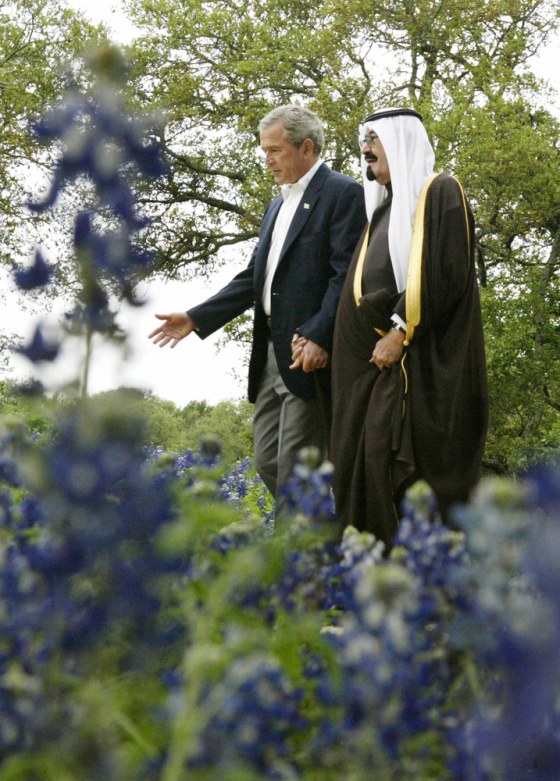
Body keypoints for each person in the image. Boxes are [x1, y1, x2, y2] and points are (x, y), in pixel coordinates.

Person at [149, 105, 366, 517]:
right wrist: (196, 316)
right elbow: (255, 277)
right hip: (269, 351)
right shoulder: (276, 206)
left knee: (296, 473)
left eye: (274, 150)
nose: (267, 159)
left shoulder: (343, 193)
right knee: (267, 461)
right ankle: (327, 532)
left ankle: (299, 571)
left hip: (308, 353)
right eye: (263, 150)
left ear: (306, 147)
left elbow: (347, 275)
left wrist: (320, 334)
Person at [329, 107, 488, 548]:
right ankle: (374, 576)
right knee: (367, 466)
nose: (365, 149)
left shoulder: (440, 191)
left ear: (400, 143)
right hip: (377, 372)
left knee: (413, 475)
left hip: (424, 369)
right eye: (364, 141)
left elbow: (444, 271)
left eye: (375, 140)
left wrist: (400, 329)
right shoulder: (382, 211)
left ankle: (431, 587)